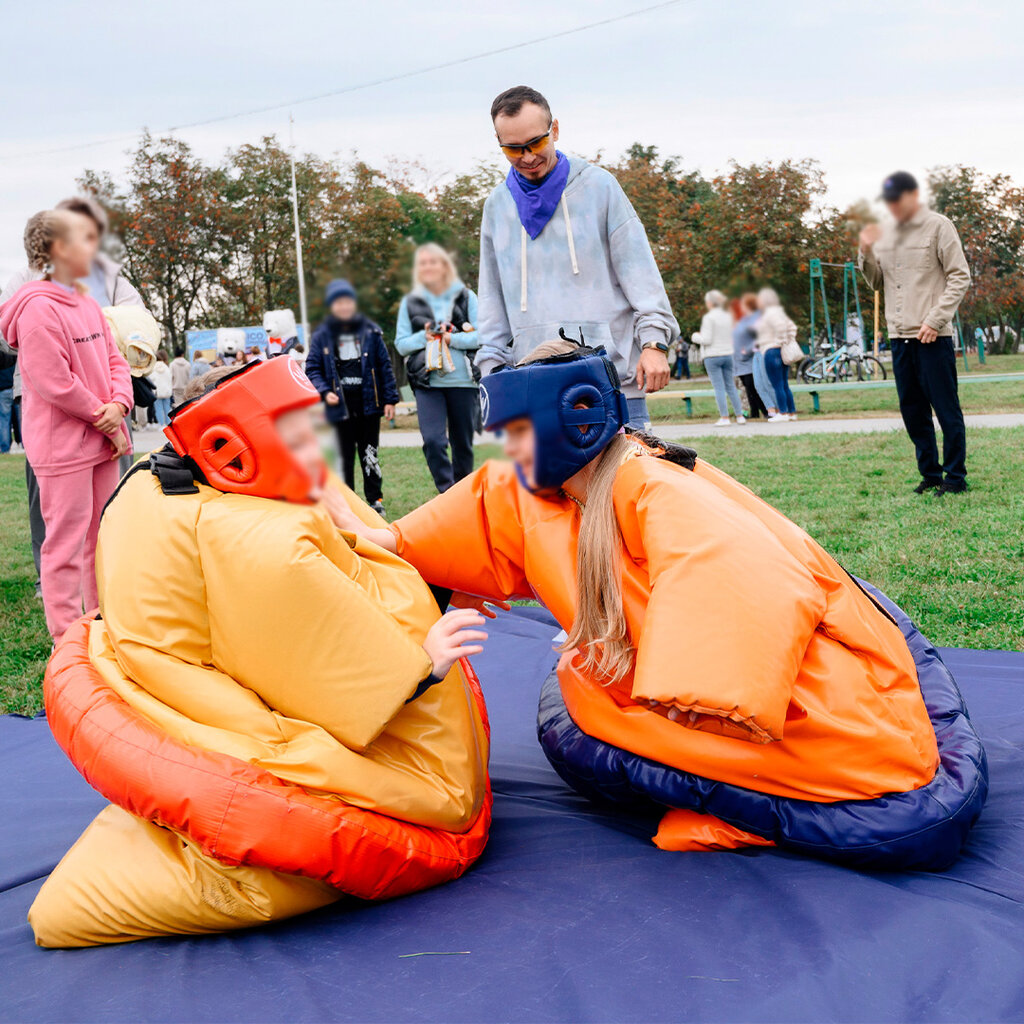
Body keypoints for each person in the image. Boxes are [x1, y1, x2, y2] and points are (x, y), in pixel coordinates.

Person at [326, 338, 985, 869]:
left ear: (574, 419)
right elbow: (490, 506)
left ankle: (745, 794)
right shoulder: (557, 489)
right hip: (671, 697)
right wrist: (386, 540)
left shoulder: (650, 482)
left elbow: (733, 565)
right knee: (575, 707)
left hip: (772, 708)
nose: (510, 450)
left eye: (519, 432)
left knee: (590, 721)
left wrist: (697, 694)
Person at [29, 357, 492, 946]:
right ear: (230, 449)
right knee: (424, 804)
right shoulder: (263, 541)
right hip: (230, 710)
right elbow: (326, 653)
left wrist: (436, 576)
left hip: (161, 673)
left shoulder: (153, 488)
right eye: (297, 432)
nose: (316, 446)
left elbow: (363, 556)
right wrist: (419, 666)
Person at [476, 85, 678, 429]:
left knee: (621, 483)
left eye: (536, 143)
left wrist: (654, 343)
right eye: (513, 148)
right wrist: (492, 371)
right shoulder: (497, 206)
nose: (526, 157)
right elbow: (491, 298)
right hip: (533, 389)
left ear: (555, 129)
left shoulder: (600, 188)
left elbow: (640, 273)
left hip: (611, 383)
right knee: (544, 486)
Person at [0, 195, 143, 593]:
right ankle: (56, 601)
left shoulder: (107, 281)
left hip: (108, 411)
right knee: (55, 517)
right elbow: (49, 375)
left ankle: (101, 605)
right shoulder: (27, 291)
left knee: (105, 517)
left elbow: (128, 340)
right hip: (57, 419)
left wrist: (118, 404)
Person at [859, 171, 971, 496]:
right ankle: (930, 474)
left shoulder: (939, 226)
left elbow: (959, 276)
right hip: (900, 337)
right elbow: (877, 282)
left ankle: (955, 478)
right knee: (913, 411)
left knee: (946, 410)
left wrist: (935, 319)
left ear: (912, 196)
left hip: (933, 336)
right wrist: (865, 251)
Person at [306, 279, 398, 516]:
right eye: (339, 302)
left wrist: (389, 399)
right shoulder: (321, 336)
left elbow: (385, 366)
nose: (344, 306)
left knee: (370, 454)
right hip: (339, 410)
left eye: (348, 301)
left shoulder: (372, 332)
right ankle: (347, 504)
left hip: (369, 406)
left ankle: (375, 500)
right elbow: (312, 368)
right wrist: (325, 391)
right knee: (343, 459)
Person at [395, 244, 481, 493]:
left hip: (463, 382)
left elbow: (482, 336)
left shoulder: (467, 296)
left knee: (462, 444)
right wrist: (428, 336)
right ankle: (446, 492)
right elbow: (401, 345)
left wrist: (453, 339)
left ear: (444, 265)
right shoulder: (410, 302)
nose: (428, 266)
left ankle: (463, 495)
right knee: (433, 441)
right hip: (426, 382)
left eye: (433, 261)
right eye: (422, 263)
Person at [696, 291, 745, 426]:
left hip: (712, 355)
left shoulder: (709, 318)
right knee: (731, 386)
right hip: (728, 354)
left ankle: (724, 417)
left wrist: (696, 336)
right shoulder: (728, 316)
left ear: (710, 303)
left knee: (719, 387)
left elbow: (706, 339)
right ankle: (740, 416)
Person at [755, 288, 798, 421]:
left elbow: (779, 327)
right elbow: (792, 327)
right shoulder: (780, 313)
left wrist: (779, 341)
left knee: (777, 384)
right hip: (781, 350)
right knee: (784, 383)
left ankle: (783, 412)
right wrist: (787, 340)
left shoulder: (769, 314)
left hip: (771, 350)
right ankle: (791, 412)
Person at [732, 293, 773, 420]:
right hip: (739, 361)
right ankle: (755, 412)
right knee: (749, 389)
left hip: (749, 360)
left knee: (753, 388)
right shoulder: (744, 320)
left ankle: (766, 411)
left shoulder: (754, 320)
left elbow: (756, 338)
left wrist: (747, 350)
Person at [149, 352, 173, 426]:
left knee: (158, 408)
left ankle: (161, 424)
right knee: (167, 408)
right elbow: (170, 378)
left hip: (157, 392)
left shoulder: (153, 368)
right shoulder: (166, 367)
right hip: (167, 391)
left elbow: (151, 379)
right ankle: (168, 423)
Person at [0, 347, 14, 452]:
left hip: (3, 390)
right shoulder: (12, 353)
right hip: (14, 387)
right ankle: (23, 444)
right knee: (20, 420)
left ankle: (5, 448)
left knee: (4, 420)